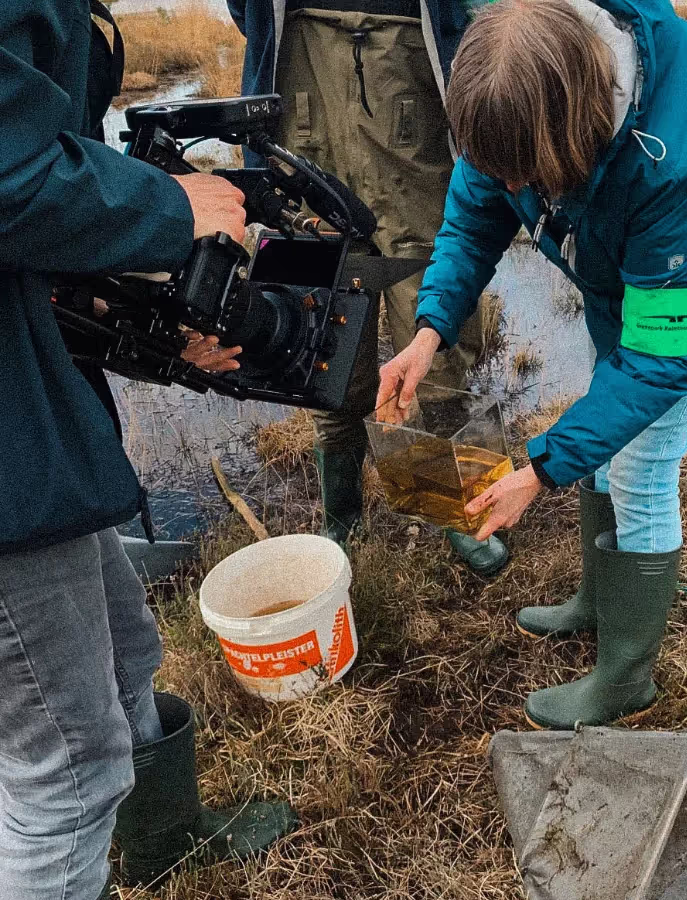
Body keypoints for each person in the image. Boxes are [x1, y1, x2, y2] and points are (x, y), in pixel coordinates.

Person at [378, 0, 687, 730]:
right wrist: (428, 332)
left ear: (569, 131)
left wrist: (539, 472)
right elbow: (476, 211)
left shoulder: (684, 147)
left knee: (642, 467)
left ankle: (626, 677)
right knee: (608, 438)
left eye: (524, 173)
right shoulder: (513, 96)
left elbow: (658, 359)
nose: (510, 182)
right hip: (628, 269)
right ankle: (596, 603)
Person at [0, 4, 297, 898]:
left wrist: (164, 317)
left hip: (29, 419)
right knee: (66, 773)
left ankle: (165, 840)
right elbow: (13, 177)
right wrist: (168, 208)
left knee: (128, 648)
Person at [227, 0, 509, 575]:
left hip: (415, 82)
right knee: (313, 337)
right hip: (298, 97)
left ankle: (460, 509)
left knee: (439, 337)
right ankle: (343, 512)